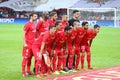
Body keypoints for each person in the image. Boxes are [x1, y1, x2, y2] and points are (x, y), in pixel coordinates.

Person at [21, 13, 38, 77]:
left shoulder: (34, 24)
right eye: (35, 16)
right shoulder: (27, 24)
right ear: (31, 17)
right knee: (25, 58)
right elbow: (23, 34)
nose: (36, 17)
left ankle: (28, 71)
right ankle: (23, 72)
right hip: (27, 45)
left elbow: (33, 35)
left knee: (30, 58)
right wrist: (24, 43)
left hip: (33, 45)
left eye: (36, 16)